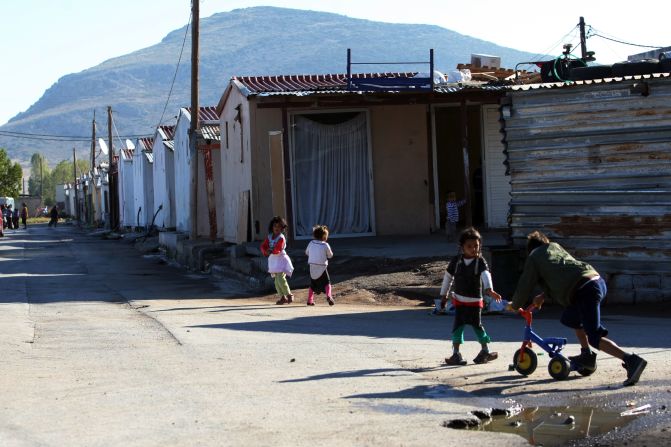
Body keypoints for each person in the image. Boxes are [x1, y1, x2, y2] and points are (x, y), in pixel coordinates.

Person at [509, 230, 647, 386]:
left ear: (531, 249)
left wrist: (514, 305)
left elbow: (525, 284)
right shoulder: (554, 247)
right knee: (571, 318)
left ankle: (631, 360)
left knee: (594, 336)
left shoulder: (534, 256)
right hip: (595, 281)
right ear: (545, 243)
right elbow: (562, 274)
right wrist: (543, 296)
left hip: (584, 290)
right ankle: (586, 355)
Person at [440, 227, 502, 365]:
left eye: (476, 246)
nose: (473, 249)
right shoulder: (456, 261)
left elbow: (486, 275)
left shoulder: (480, 262)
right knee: (458, 327)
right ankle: (456, 354)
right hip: (459, 301)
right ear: (462, 247)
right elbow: (447, 277)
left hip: (475, 302)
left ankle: (485, 350)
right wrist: (443, 295)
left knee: (477, 326)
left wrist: (489, 290)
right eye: (469, 246)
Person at [260, 216, 294, 305]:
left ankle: (289, 294)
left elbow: (278, 248)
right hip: (273, 260)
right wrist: (265, 251)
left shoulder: (281, 238)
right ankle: (282, 297)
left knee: (280, 278)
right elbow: (263, 246)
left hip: (281, 259)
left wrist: (270, 251)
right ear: (272, 227)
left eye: (279, 226)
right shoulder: (269, 237)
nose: (276, 228)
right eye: (275, 226)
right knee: (276, 281)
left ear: (282, 228)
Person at [305, 224, 334, 306]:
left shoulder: (311, 243)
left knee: (312, 284)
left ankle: (310, 300)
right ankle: (329, 296)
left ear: (314, 235)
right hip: (322, 267)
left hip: (312, 266)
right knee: (327, 283)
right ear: (324, 236)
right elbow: (330, 255)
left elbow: (306, 252)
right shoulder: (325, 245)